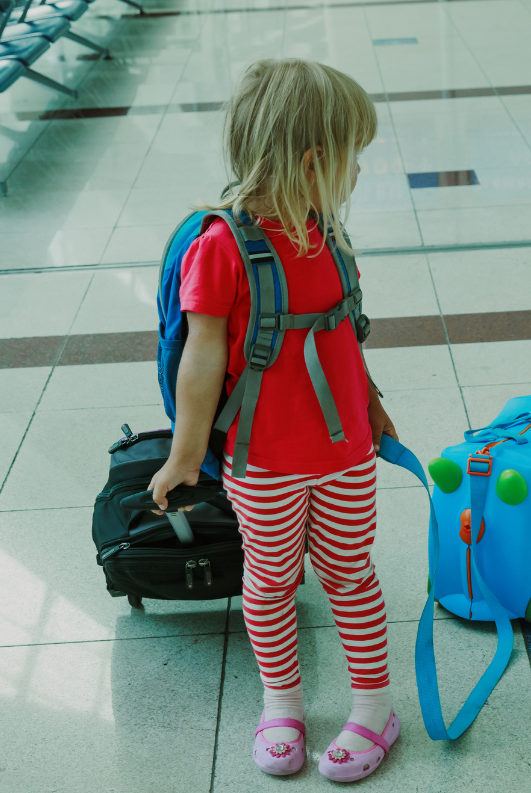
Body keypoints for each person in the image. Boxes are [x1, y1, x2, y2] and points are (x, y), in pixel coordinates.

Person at [147, 58, 401, 781]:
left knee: (350, 574)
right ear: (314, 161)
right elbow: (201, 361)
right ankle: (282, 704)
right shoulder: (220, 248)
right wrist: (185, 455)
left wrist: (373, 403)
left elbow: (344, 332)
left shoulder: (330, 233)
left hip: (346, 454)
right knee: (270, 581)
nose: (359, 172)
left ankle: (375, 707)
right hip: (259, 461)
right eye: (354, 157)